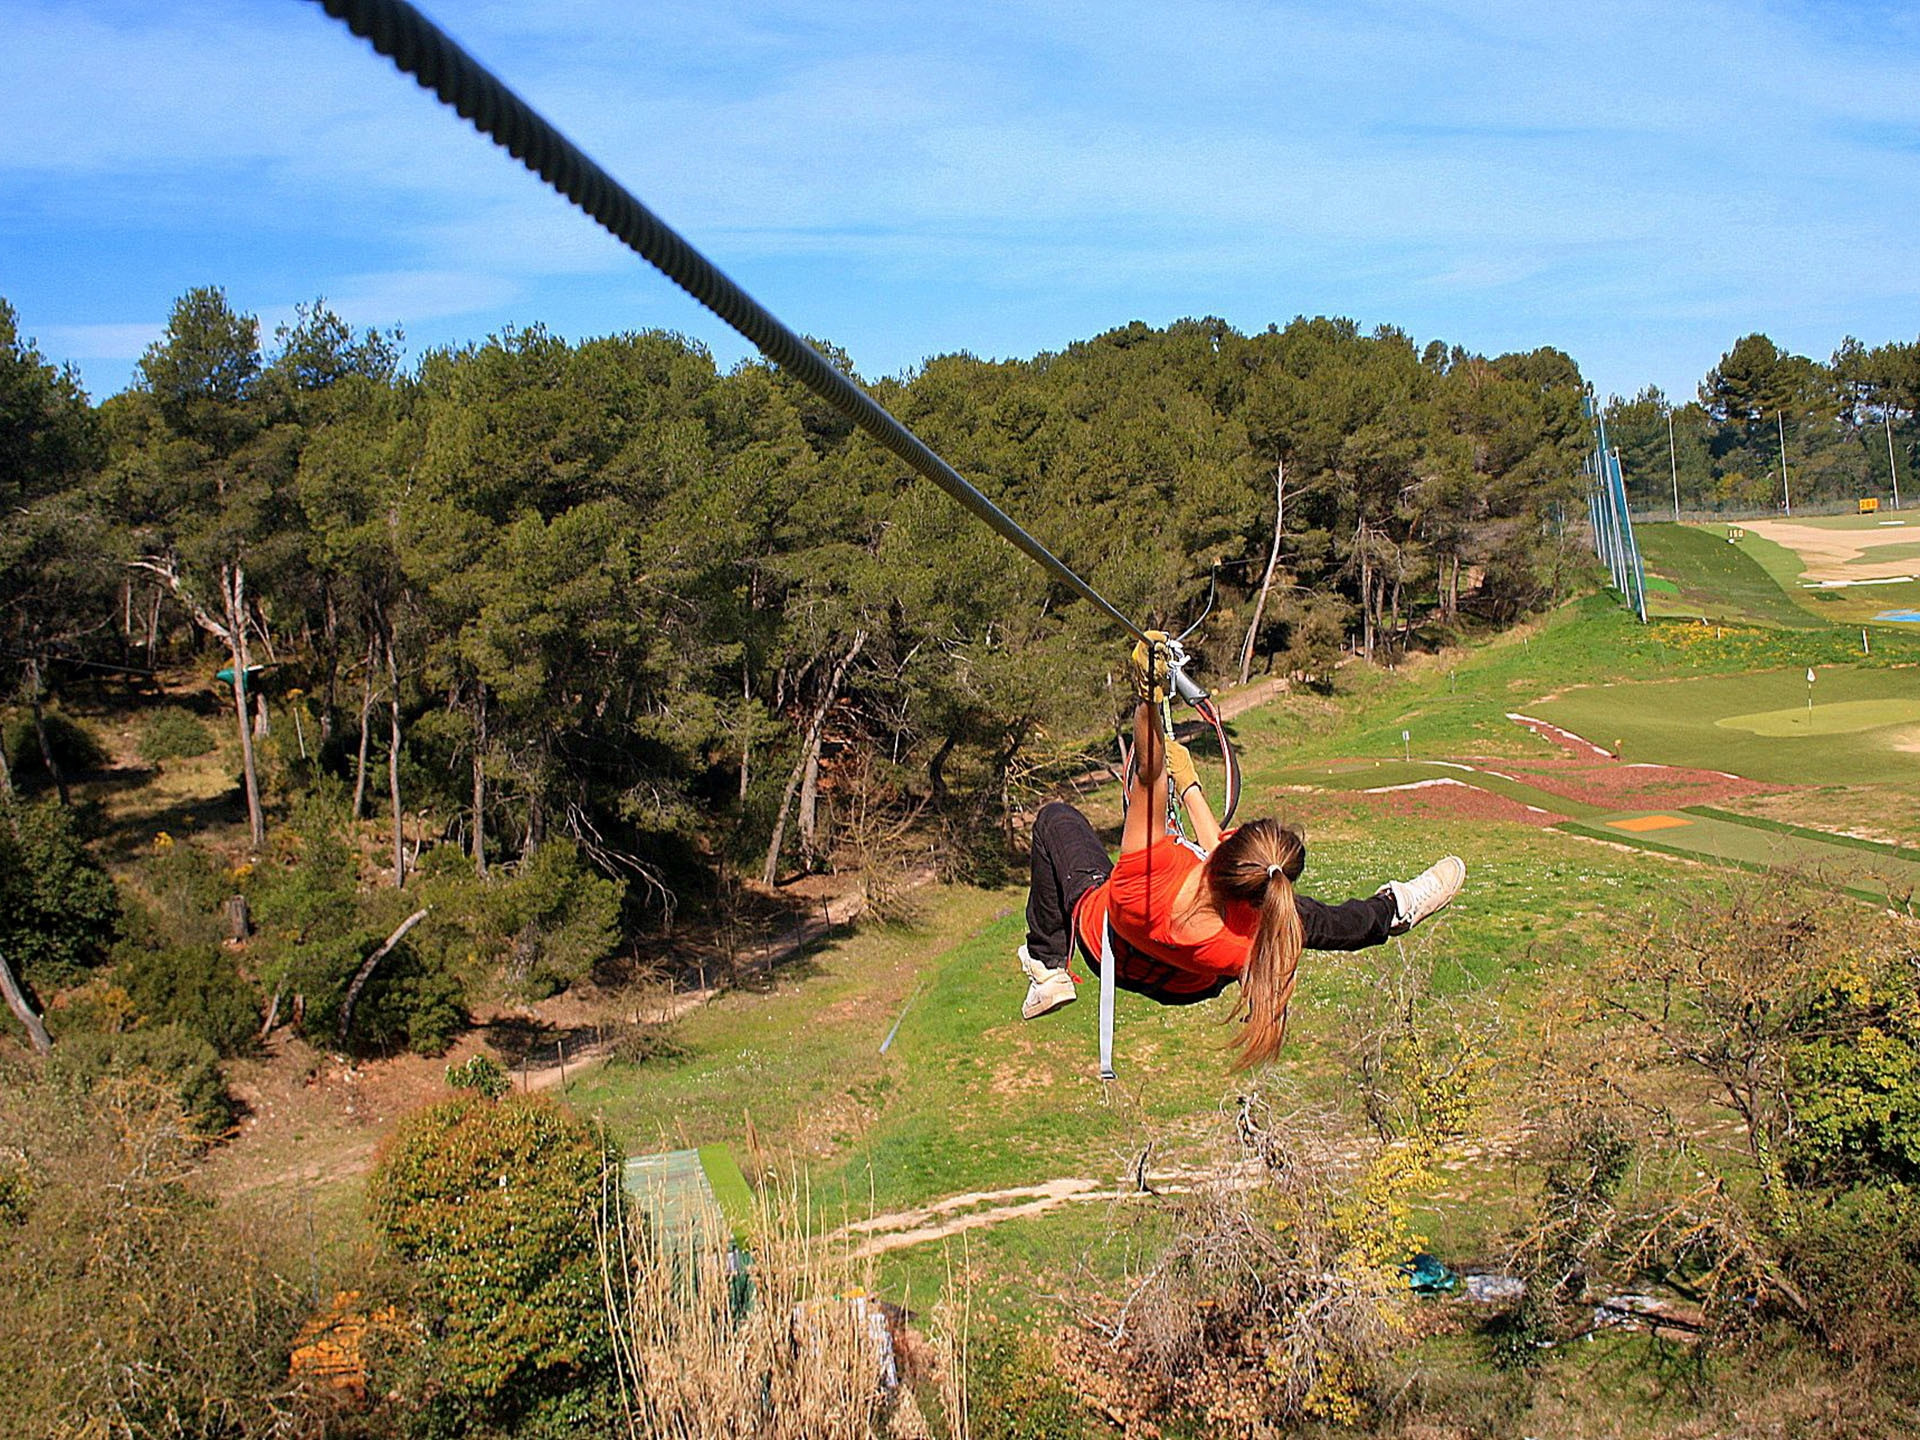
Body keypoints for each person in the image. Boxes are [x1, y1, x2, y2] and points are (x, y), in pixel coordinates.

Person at [1018, 634, 1465, 1069]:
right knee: (1318, 922)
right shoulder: (1258, 932)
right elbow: (1214, 848)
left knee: (1056, 819)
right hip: (1190, 983)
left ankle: (1048, 964)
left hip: (1111, 948)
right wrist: (1189, 785)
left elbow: (1150, 772)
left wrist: (1147, 698)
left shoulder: (1143, 883)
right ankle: (1396, 909)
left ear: (1229, 860)